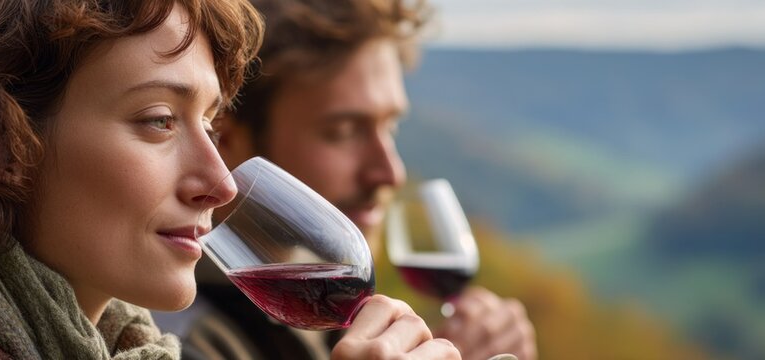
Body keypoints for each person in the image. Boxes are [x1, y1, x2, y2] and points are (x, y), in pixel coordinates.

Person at [0, 1, 460, 359]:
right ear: (0, 139)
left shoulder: (136, 348)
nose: (221, 181)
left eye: (209, 121)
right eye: (158, 121)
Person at [174, 0, 537, 359]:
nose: (391, 172)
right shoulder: (181, 341)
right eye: (343, 131)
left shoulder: (308, 315)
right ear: (228, 141)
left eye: (390, 126)